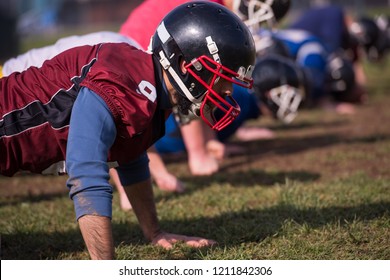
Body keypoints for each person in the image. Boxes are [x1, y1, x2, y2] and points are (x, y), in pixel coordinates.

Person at [0, 1, 256, 259]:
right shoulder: (123, 80)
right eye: (222, 75)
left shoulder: (154, 91)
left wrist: (154, 232)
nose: (227, 91)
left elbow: (131, 155)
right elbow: (86, 169)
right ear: (183, 65)